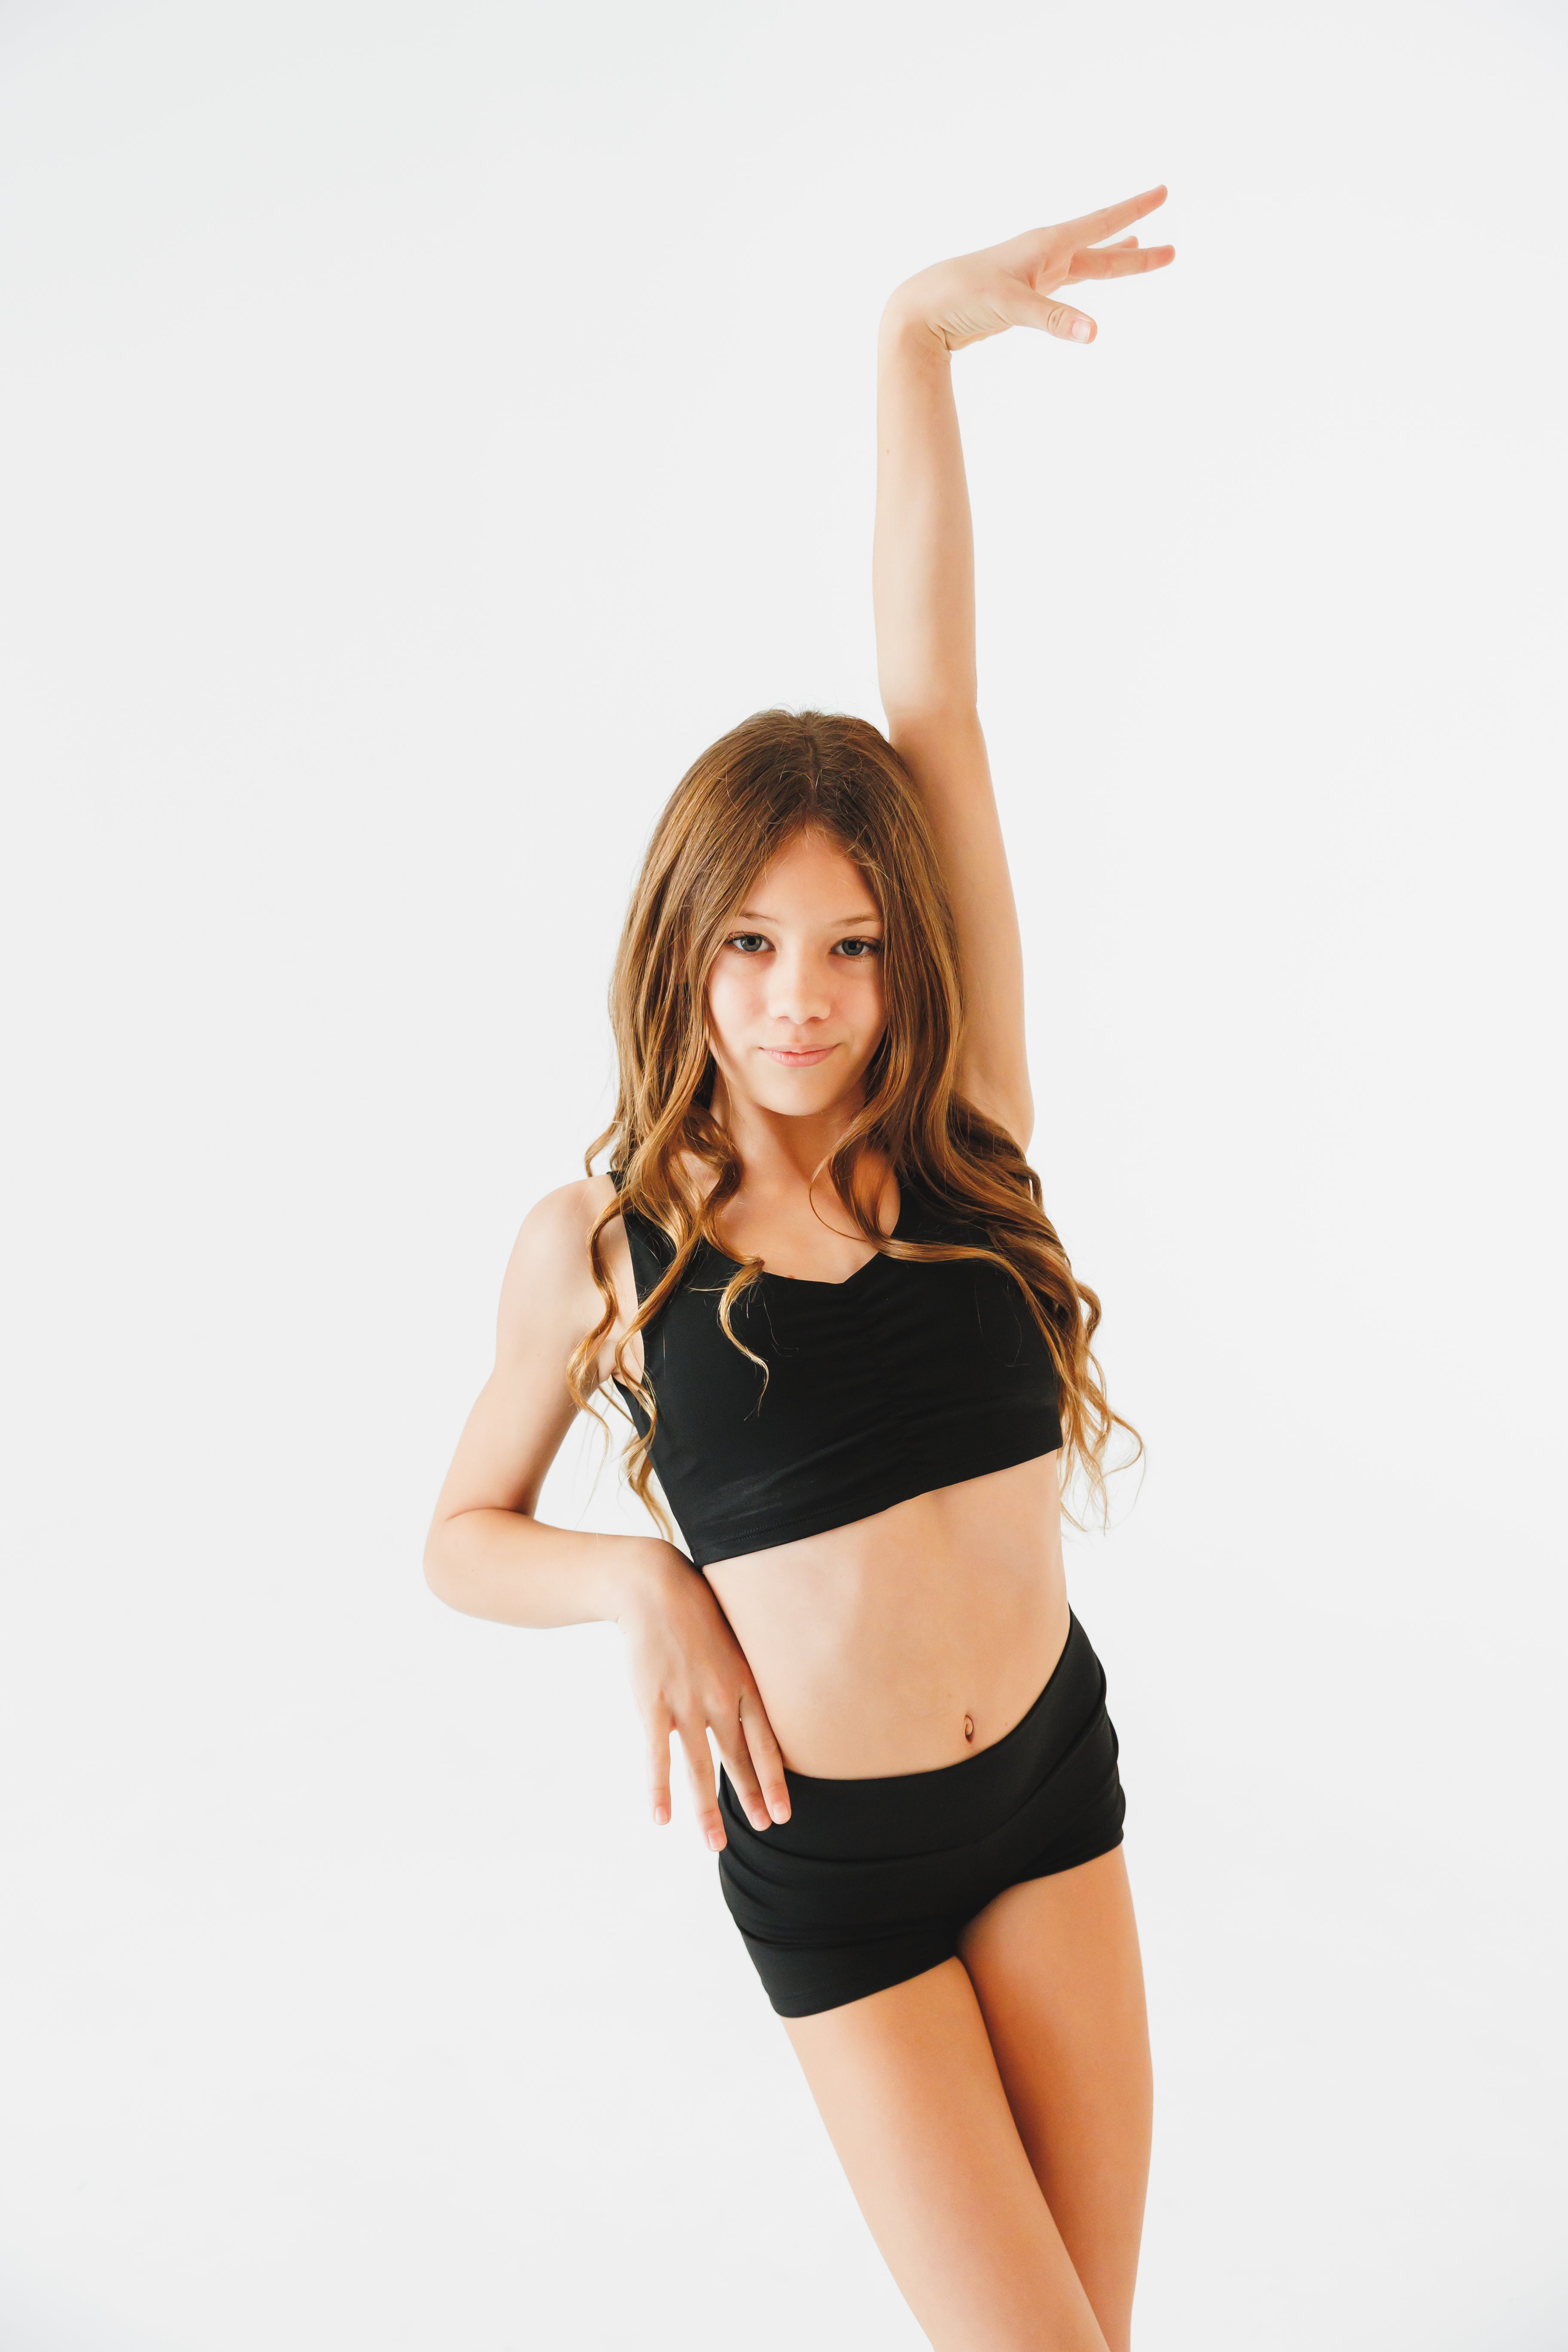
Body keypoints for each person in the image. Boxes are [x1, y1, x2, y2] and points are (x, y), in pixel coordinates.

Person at [425, 185, 1175, 2352]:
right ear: (686, 949)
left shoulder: (973, 1135)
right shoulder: (600, 1246)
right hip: (839, 1871)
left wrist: (914, 349)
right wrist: (641, 1582)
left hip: (1052, 1781)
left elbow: (930, 691)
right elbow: (460, 1536)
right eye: (752, 944)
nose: (800, 995)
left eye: (851, 943)